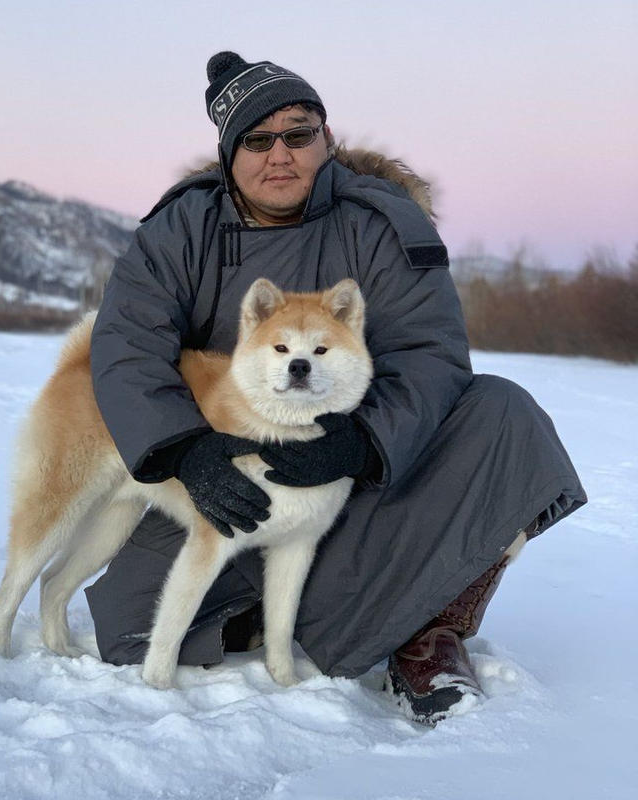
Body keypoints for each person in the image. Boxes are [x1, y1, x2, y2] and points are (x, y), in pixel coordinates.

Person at [84, 51, 586, 724]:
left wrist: (364, 441)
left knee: (501, 414)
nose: (279, 154)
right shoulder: (183, 227)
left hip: (363, 478)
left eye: (298, 133)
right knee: (128, 630)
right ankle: (279, 610)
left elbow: (429, 353)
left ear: (325, 137)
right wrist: (181, 449)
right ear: (229, 155)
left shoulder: (379, 222)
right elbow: (127, 345)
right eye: (256, 140)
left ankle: (430, 631)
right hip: (228, 473)